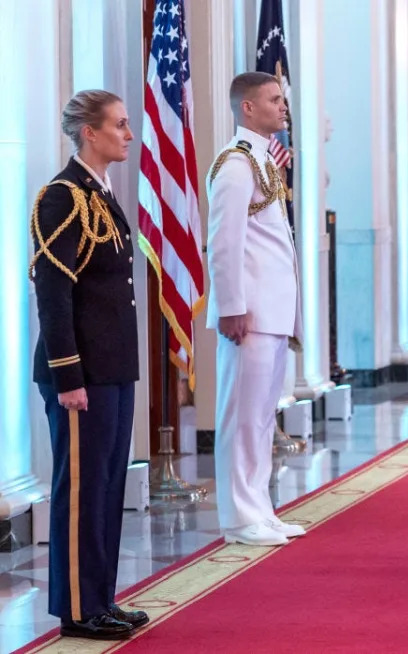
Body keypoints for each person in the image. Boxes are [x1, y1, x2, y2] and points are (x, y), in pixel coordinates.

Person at [30, 90, 149, 640]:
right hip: (81, 374)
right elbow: (54, 295)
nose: (128, 134)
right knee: (79, 489)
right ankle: (78, 609)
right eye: (120, 125)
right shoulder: (62, 196)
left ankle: (101, 597)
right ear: (89, 134)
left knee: (104, 486)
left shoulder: (98, 192)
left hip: (112, 369)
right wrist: (68, 376)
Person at [207, 72, 305, 547]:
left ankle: (260, 509)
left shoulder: (263, 159)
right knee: (241, 417)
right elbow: (224, 243)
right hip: (249, 314)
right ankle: (239, 517)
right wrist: (230, 307)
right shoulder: (236, 164)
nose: (282, 105)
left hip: (271, 311)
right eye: (273, 99)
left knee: (262, 417)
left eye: (282, 98)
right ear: (247, 107)